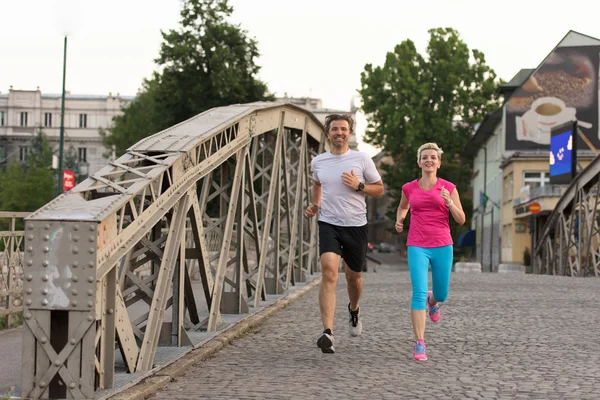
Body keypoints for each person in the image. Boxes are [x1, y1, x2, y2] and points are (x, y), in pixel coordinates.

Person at [305, 114, 384, 354]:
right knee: (329, 272)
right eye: (335, 129)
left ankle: (354, 309)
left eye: (344, 129)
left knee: (354, 278)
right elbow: (317, 183)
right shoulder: (318, 161)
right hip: (329, 223)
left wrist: (359, 186)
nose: (339, 133)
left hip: (356, 226)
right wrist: (316, 204)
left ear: (349, 133)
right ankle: (327, 333)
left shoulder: (362, 159)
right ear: (328, 133)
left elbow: (379, 190)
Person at [395, 143, 466, 361]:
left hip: (442, 244)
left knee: (442, 293)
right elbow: (403, 206)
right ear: (419, 162)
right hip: (417, 244)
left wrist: (449, 203)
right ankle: (420, 343)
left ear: (439, 162)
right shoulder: (409, 188)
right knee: (417, 292)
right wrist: (400, 219)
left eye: (433, 157)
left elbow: (461, 219)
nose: (429, 160)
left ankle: (433, 302)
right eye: (425, 157)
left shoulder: (448, 188)